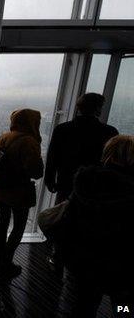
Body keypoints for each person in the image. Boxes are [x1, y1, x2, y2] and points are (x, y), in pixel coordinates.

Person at [62, 135, 134, 317]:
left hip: (85, 259)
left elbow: (70, 220)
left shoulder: (85, 180)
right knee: (123, 306)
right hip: (122, 263)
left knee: (84, 305)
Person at [44, 93, 118, 266]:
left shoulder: (62, 129)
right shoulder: (109, 132)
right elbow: (110, 162)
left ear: (78, 107)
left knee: (63, 217)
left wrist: (49, 180)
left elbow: (52, 157)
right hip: (95, 185)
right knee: (89, 219)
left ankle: (58, 255)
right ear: (98, 109)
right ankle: (82, 256)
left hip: (66, 182)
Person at [0, 109, 44, 278]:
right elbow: (36, 171)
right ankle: (6, 261)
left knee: (3, 221)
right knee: (18, 226)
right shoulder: (29, 141)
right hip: (18, 190)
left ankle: (1, 255)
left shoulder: (4, 137)